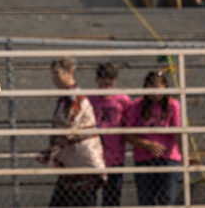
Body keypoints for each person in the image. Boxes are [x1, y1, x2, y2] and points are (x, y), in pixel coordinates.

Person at [37, 58, 105, 207]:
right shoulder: (66, 98)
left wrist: (49, 152)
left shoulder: (74, 99)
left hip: (83, 164)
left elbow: (68, 129)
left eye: (57, 73)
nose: (54, 77)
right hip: (71, 165)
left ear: (69, 73)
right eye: (53, 74)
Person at [125, 70, 182, 205]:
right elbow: (128, 135)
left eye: (158, 88)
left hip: (168, 158)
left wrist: (185, 154)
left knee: (167, 199)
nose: (154, 93)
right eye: (151, 88)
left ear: (165, 88)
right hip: (144, 159)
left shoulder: (172, 105)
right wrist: (146, 144)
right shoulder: (137, 106)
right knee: (146, 201)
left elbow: (178, 132)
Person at [88, 62, 133, 206]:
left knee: (112, 197)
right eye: (103, 82)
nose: (106, 86)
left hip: (115, 156)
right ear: (97, 80)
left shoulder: (122, 99)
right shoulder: (90, 99)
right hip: (93, 155)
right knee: (90, 196)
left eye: (110, 82)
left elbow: (129, 122)